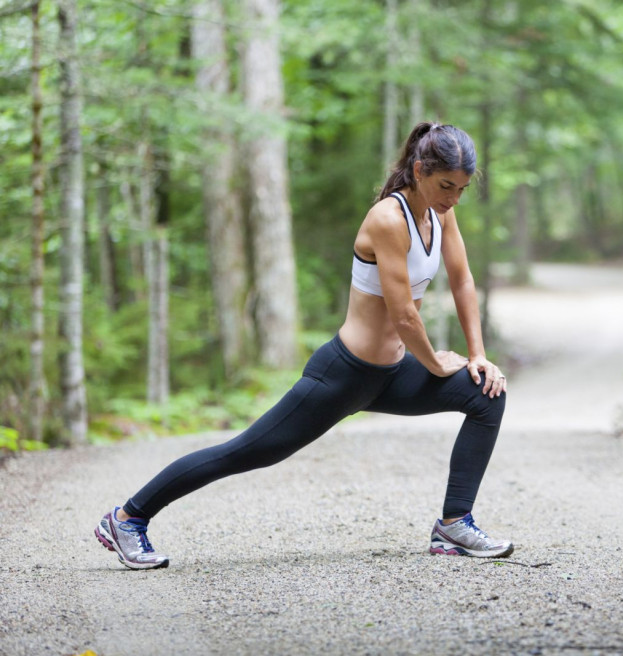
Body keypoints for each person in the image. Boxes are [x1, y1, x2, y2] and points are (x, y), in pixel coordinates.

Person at [94, 122, 512, 569]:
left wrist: (478, 356)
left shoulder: (441, 213)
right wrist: (437, 363)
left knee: (487, 395)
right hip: (344, 374)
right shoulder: (389, 219)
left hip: (390, 376)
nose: (453, 198)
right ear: (419, 169)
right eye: (446, 185)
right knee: (245, 453)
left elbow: (463, 279)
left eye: (462, 189)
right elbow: (404, 314)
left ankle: (454, 523)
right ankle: (127, 517)